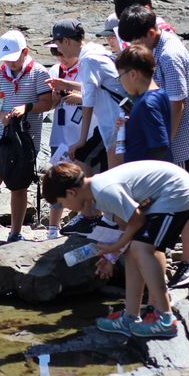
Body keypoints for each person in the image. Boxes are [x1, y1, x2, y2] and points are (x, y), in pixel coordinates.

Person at [42, 161, 189, 338]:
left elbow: (137, 220)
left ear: (71, 193)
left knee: (140, 248)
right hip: (163, 194)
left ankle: (165, 320)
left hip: (176, 192)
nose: (65, 207)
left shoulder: (104, 190)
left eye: (61, 202)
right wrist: (111, 257)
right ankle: (130, 317)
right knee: (131, 251)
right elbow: (122, 224)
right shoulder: (98, 192)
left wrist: (115, 246)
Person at [118, 6, 189, 287]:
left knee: (186, 198)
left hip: (179, 137)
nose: (135, 48)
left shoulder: (169, 56)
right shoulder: (160, 43)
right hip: (168, 134)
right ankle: (175, 247)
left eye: (137, 42)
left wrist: (165, 145)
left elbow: (177, 103)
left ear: (151, 32)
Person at [0, 30, 52, 249]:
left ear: (25, 52)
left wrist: (27, 108)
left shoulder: (39, 73)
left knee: (19, 185)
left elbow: (47, 102)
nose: (10, 63)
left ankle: (15, 233)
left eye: (14, 59)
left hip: (26, 139)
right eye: (6, 59)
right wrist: (0, 114)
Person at [45, 19, 124, 236]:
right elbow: (97, 85)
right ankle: (103, 217)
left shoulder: (88, 60)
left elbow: (88, 100)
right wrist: (67, 85)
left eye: (58, 44)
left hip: (114, 122)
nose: (57, 49)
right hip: (117, 120)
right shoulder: (97, 52)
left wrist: (80, 139)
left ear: (67, 40)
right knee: (103, 165)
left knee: (83, 157)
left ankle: (91, 216)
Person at [46, 45, 103, 240]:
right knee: (58, 181)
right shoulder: (55, 71)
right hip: (61, 136)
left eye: (64, 55)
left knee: (88, 180)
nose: (62, 59)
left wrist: (78, 98)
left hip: (86, 135)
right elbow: (50, 105)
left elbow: (96, 95)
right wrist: (55, 99)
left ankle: (92, 219)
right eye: (58, 56)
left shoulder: (87, 67)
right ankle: (52, 228)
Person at [114, 45, 173, 163]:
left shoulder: (147, 104)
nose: (121, 83)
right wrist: (132, 122)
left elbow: (160, 146)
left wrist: (144, 173)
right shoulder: (159, 93)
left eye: (120, 77)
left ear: (133, 74)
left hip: (150, 177)